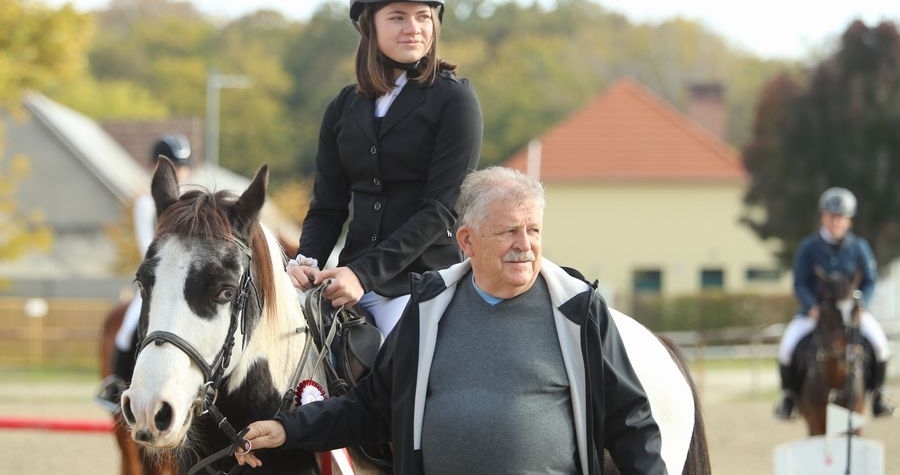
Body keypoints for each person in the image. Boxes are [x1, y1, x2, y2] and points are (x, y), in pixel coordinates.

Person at [235, 166, 669, 474]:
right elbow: (370, 408)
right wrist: (286, 428)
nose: (525, 245)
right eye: (508, 232)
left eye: (533, 230)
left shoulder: (578, 310)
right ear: (467, 241)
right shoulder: (428, 309)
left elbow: (630, 422)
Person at [286, 0, 483, 338]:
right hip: (349, 284)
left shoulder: (455, 101)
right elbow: (327, 207)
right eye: (398, 17)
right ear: (368, 24)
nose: (414, 28)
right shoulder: (342, 108)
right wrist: (305, 260)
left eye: (423, 16)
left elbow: (441, 210)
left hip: (423, 285)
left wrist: (363, 274)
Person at [774, 186, 895, 419]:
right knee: (787, 347)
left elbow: (870, 281)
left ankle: (879, 396)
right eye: (831, 216)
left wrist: (861, 303)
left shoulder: (859, 248)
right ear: (823, 216)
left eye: (840, 217)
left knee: (880, 345)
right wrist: (811, 306)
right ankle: (788, 397)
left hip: (851, 312)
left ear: (848, 221)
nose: (835, 221)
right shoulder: (808, 248)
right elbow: (799, 283)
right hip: (816, 313)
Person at [95, 133, 192, 411]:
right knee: (127, 327)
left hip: (188, 279)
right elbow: (145, 246)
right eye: (174, 165)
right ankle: (116, 383)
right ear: (155, 166)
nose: (180, 171)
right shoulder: (146, 204)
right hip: (158, 277)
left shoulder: (191, 199)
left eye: (182, 165)